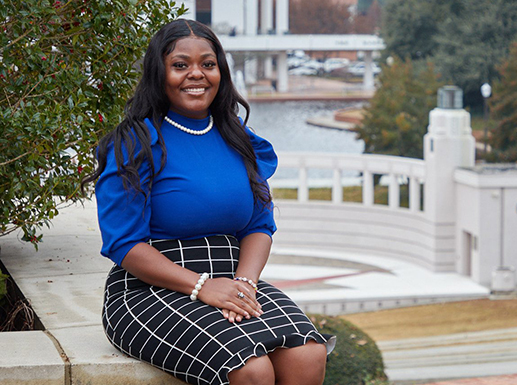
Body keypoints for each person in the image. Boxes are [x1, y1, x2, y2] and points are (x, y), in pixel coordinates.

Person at [82, 19, 335, 385]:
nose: (196, 74)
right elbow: (124, 244)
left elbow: (259, 226)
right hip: (152, 288)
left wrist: (245, 282)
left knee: (308, 355)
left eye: (208, 64)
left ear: (221, 72)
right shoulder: (136, 143)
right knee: (253, 370)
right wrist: (203, 286)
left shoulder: (238, 139)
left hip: (234, 280)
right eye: (181, 65)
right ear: (159, 72)